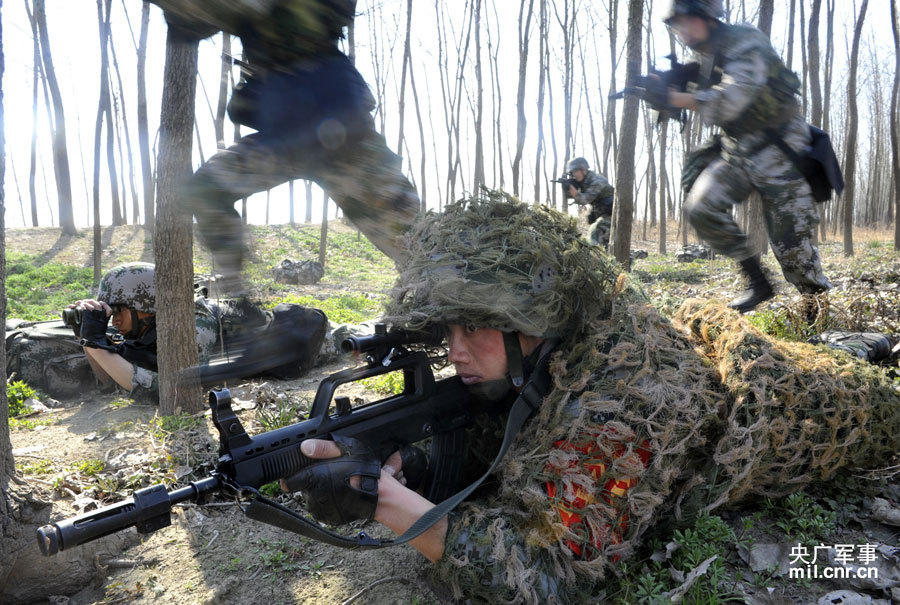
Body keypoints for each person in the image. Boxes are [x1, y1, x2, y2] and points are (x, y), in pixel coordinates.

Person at [281, 193, 726, 602]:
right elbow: (501, 445)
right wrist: (416, 467)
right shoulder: (540, 365)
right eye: (449, 331)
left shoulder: (627, 397)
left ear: (529, 323)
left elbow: (546, 574)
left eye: (473, 326)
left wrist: (382, 499)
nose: (455, 352)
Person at [150, 0, 420, 295]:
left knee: (418, 246)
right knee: (205, 190)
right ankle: (237, 299)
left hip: (342, 135)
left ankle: (448, 294)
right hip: (283, 140)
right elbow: (188, 25)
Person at [662, 0, 831, 313]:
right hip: (738, 151)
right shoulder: (703, 60)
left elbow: (736, 96)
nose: (682, 31)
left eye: (686, 21)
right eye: (676, 26)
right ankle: (758, 282)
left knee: (793, 247)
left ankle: (816, 313)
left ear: (707, 15)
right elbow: (695, 98)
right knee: (701, 207)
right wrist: (662, 94)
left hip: (780, 148)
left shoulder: (744, 39)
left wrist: (681, 98)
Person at [67, 263, 222, 402]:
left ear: (146, 307)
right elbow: (111, 382)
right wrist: (85, 337)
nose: (115, 322)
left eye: (118, 311)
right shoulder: (149, 325)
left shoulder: (194, 322)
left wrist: (97, 346)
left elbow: (174, 392)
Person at [565, 157, 615, 248]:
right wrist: (569, 189)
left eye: (575, 171)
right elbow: (575, 197)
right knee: (599, 238)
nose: (574, 175)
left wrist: (573, 190)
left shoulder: (597, 181)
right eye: (572, 173)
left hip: (613, 214)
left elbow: (585, 200)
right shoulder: (584, 182)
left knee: (595, 233)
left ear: (583, 170)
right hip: (602, 213)